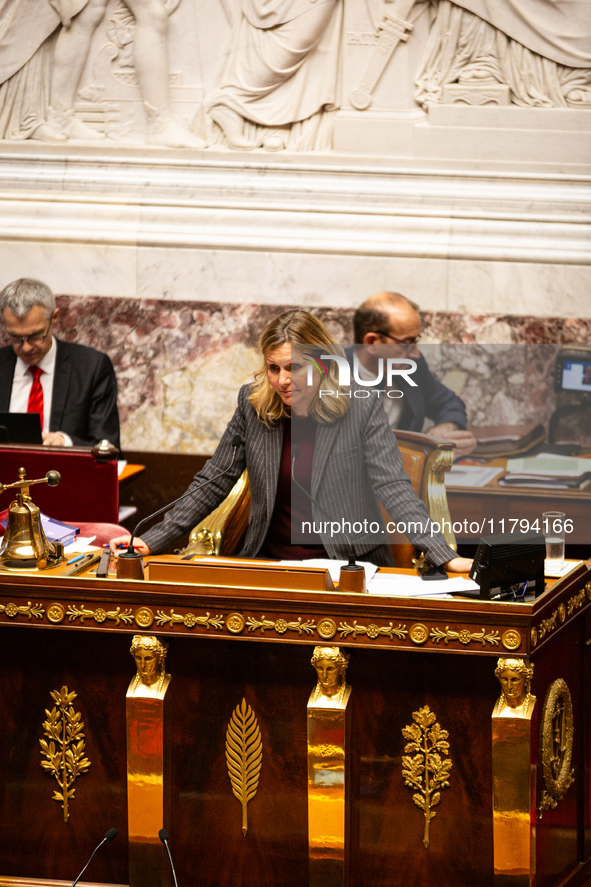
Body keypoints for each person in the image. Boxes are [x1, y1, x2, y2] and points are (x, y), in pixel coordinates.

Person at [110, 309, 471, 573]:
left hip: (346, 566)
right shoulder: (253, 406)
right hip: (269, 564)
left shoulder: (360, 406)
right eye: (273, 368)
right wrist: (153, 538)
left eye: (294, 367)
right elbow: (213, 480)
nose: (282, 380)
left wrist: (444, 554)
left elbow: (393, 485)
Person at [352, 292, 477, 458]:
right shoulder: (327, 377)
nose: (416, 354)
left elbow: (448, 403)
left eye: (416, 341)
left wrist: (446, 429)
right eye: (406, 344)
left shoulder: (411, 367)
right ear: (371, 343)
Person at [0, 278, 120, 448]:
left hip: (67, 472)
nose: (26, 347)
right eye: (16, 337)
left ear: (54, 318)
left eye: (36, 336)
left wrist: (64, 442)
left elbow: (109, 447)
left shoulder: (91, 368)